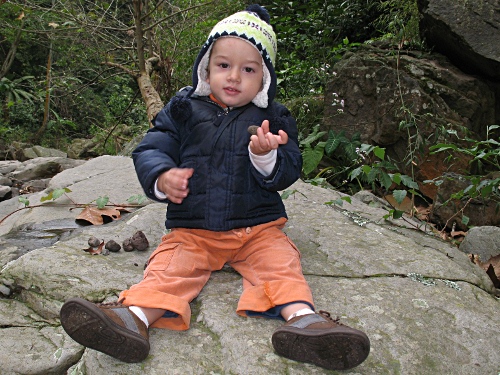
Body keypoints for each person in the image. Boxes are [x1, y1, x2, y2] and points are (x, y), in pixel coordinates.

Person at [60, 4, 370, 371]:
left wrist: (265, 156)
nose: (234, 76)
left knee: (281, 266)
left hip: (257, 228)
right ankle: (133, 319)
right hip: (194, 228)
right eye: (224, 65)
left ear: (265, 78)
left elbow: (289, 169)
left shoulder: (274, 118)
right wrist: (161, 176)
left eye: (249, 69)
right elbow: (152, 146)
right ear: (206, 66)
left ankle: (304, 321)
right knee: (169, 269)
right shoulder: (183, 108)